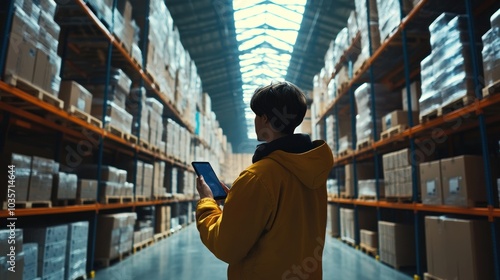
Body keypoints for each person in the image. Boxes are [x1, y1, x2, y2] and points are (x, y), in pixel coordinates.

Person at [195, 81, 334, 280]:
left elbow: (226, 247)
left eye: (256, 115)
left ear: (265, 119)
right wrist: (237, 201)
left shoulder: (257, 177)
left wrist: (207, 202)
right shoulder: (313, 170)